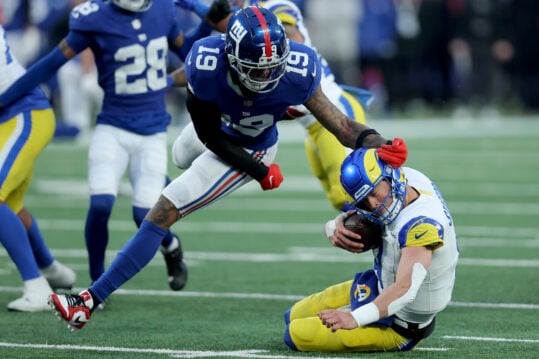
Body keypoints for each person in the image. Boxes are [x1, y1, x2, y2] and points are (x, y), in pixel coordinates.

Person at [46, 6, 408, 331]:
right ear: (232, 57)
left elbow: (342, 126)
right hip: (219, 133)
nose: (267, 75)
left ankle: (87, 301)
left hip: (252, 145)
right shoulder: (204, 64)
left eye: (273, 66)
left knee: (161, 211)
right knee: (178, 156)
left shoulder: (299, 67)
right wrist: (259, 172)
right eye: (257, 67)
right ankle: (172, 205)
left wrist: (379, 141)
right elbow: (208, 136)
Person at [0, 0, 232, 293]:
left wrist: (205, 21)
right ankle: (96, 281)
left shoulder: (161, 10)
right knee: (100, 205)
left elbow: (190, 54)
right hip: (112, 125)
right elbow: (52, 62)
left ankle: (172, 247)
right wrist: (8, 96)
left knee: (143, 215)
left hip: (152, 131)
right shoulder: (94, 17)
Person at [177, 0, 375, 212]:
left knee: (352, 196)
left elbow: (285, 44)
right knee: (340, 201)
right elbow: (202, 55)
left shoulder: (275, 9)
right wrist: (204, 18)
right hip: (309, 122)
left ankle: (401, 236)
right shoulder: (244, 22)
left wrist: (204, 13)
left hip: (333, 109)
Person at [283, 147, 459, 352]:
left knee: (296, 334)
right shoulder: (410, 179)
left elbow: (405, 289)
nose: (374, 204)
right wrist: (335, 225)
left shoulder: (421, 225)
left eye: (374, 193)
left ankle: (390, 335)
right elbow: (358, 205)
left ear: (390, 177)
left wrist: (354, 318)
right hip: (380, 283)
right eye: (364, 201)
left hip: (400, 324)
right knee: (293, 314)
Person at [0, 24, 76, 312]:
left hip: (23, 114)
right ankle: (52, 270)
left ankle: (37, 288)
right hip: (12, 118)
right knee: (11, 205)